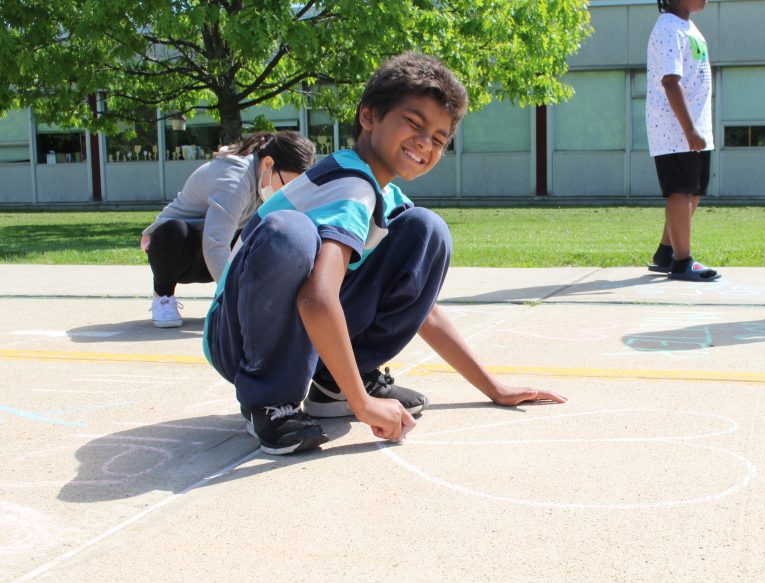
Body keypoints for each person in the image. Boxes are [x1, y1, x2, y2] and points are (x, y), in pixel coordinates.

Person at [203, 52, 567, 455]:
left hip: (287, 327)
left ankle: (335, 382)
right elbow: (316, 297)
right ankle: (270, 400)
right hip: (237, 338)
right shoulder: (350, 184)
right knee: (290, 232)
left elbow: (423, 308)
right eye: (413, 123)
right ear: (369, 116)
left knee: (425, 231)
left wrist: (493, 388)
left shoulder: (385, 195)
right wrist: (364, 405)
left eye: (439, 138)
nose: (424, 143)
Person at [141, 131, 316, 328]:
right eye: (285, 185)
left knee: (268, 236)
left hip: (214, 250)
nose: (286, 193)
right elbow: (215, 243)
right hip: (180, 251)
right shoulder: (235, 180)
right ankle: (163, 296)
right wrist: (234, 302)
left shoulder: (266, 182)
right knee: (174, 232)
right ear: (268, 164)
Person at [644, 0, 720, 282]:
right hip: (673, 129)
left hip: (695, 127)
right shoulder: (668, 28)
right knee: (680, 192)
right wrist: (688, 129)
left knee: (694, 191)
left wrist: (696, 128)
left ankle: (666, 253)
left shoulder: (688, 27)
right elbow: (670, 81)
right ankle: (682, 262)